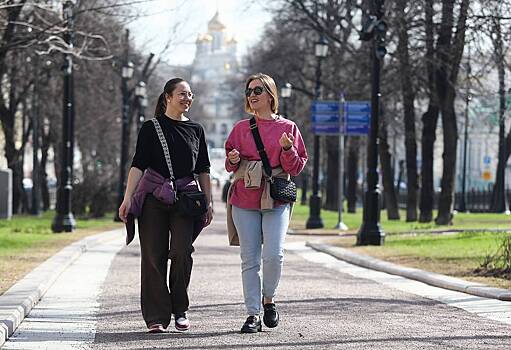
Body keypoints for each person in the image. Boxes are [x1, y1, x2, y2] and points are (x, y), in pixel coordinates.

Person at [118, 78, 213, 334]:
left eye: (190, 94)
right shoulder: (151, 127)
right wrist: (128, 198)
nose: (187, 98)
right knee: (153, 256)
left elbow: (203, 168)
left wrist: (209, 201)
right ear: (167, 97)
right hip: (153, 200)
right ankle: (156, 316)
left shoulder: (196, 129)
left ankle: (180, 308)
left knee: (182, 252)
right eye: (182, 94)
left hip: (185, 200)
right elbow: (138, 164)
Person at [225, 73, 308, 333]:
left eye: (258, 90)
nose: (252, 94)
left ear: (271, 94)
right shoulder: (240, 128)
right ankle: (253, 314)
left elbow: (296, 167)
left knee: (274, 254)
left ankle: (269, 299)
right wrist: (235, 158)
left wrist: (287, 149)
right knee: (249, 259)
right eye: (249, 90)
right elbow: (229, 165)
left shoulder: (288, 127)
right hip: (244, 197)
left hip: (276, 197)